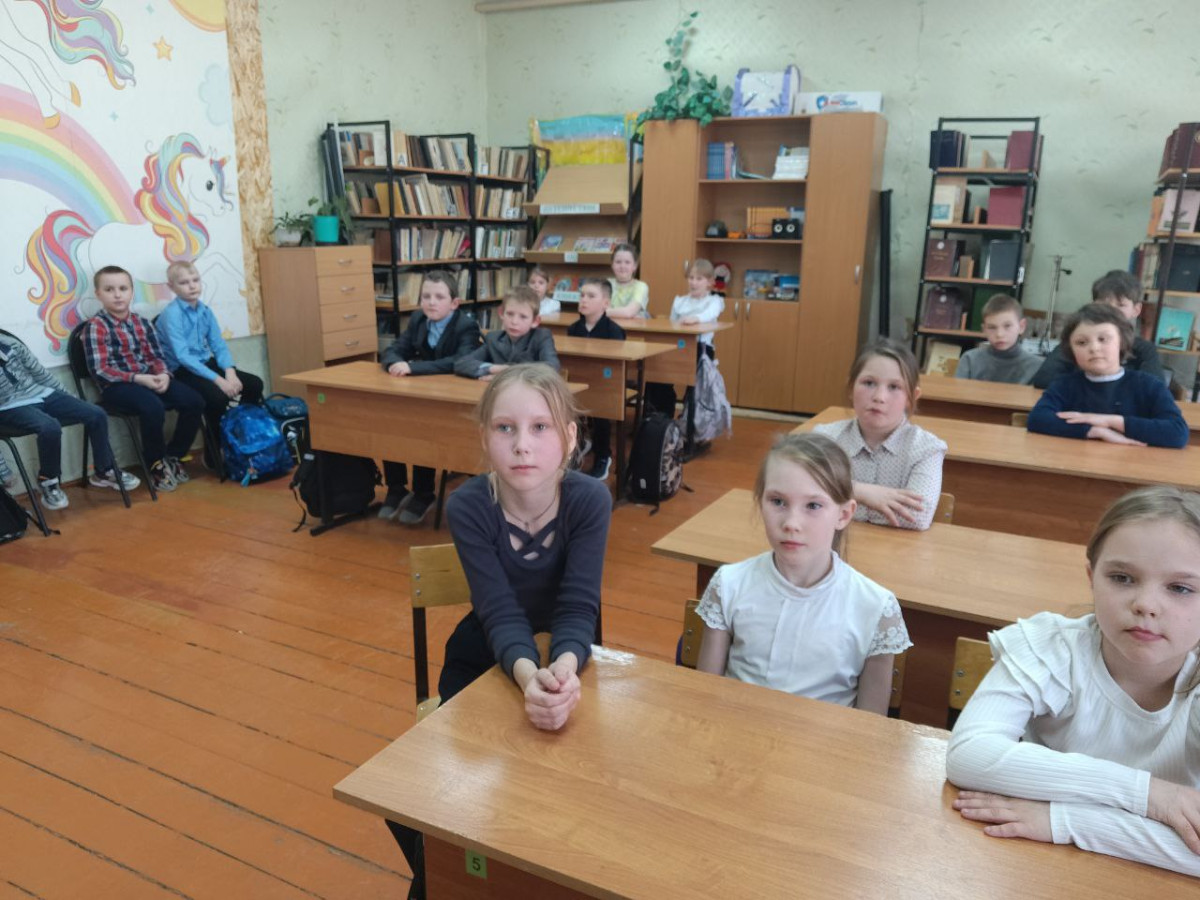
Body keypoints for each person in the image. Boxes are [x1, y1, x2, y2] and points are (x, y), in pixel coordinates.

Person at [946, 485, 1200, 876]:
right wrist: (1148, 794)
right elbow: (969, 755)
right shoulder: (1052, 646)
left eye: (1180, 588)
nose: (1146, 604)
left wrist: (1066, 820)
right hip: (1029, 867)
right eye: (1122, 578)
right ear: (1091, 577)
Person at [695, 432, 911, 714]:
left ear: (843, 515)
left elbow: (870, 727)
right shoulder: (729, 584)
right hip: (735, 735)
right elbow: (704, 700)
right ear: (760, 502)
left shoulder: (875, 607)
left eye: (813, 506)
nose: (791, 523)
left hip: (824, 742)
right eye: (777, 501)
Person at [83, 265, 204, 492]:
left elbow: (155, 356)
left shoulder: (142, 323)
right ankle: (155, 463)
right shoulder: (96, 327)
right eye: (109, 290)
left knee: (194, 400)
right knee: (152, 406)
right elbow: (101, 369)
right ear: (98, 294)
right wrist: (138, 378)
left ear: (131, 292)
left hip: (149, 378)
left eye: (123, 289)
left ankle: (174, 455)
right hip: (117, 387)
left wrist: (163, 374)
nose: (117, 295)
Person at [377, 270, 481, 524]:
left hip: (454, 399)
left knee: (424, 430)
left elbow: (459, 361)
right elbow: (394, 349)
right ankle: (396, 487)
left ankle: (424, 493)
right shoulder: (418, 319)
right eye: (426, 296)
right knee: (390, 423)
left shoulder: (466, 326)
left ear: (454, 303)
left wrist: (413, 368)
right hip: (423, 393)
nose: (431, 302)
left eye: (439, 297)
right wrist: (394, 363)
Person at [812, 339, 947, 530]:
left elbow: (918, 516)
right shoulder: (824, 438)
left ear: (912, 397)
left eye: (894, 387)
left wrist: (837, 498)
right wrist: (862, 492)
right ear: (851, 388)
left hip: (895, 547)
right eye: (869, 383)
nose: (879, 397)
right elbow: (802, 492)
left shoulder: (927, 449)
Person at [0, 329, 139, 509]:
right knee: (49, 427)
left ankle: (104, 470)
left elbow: (41, 373)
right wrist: (2, 469)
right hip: (9, 406)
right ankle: (48, 480)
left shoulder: (9, 342)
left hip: (40, 393)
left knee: (96, 414)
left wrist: (70, 400)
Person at [1027, 303, 1187, 448]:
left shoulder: (1149, 385)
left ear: (1122, 342)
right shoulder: (1064, 385)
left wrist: (1108, 421)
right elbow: (1037, 419)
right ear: (1070, 349)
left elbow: (1177, 433)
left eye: (1103, 339)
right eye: (1081, 343)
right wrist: (1095, 430)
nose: (1094, 348)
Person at [155, 261, 264, 468]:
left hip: (204, 363)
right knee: (216, 397)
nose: (192, 286)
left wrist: (230, 372)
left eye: (195, 280)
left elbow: (218, 345)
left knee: (254, 384)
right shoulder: (172, 315)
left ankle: (239, 432)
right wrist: (219, 381)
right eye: (184, 283)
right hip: (182, 370)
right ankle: (213, 452)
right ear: (172, 287)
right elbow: (183, 357)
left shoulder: (205, 311)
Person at [1032, 270, 1165, 389]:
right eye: (1105, 304)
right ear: (1093, 305)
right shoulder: (1079, 340)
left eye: (1121, 305)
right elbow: (1043, 379)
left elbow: (1155, 389)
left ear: (1136, 310)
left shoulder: (1144, 350)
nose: (1111, 311)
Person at [646, 258, 726, 416]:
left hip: (701, 349)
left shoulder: (714, 301)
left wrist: (695, 319)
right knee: (657, 374)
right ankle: (660, 419)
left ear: (710, 282)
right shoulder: (680, 301)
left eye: (699, 279)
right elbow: (671, 325)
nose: (693, 282)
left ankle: (691, 421)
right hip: (677, 347)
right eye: (691, 278)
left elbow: (709, 314)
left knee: (697, 387)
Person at [567, 278, 625, 479]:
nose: (584, 300)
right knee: (568, 406)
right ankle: (577, 446)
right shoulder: (574, 329)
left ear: (606, 303)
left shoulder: (614, 331)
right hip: (580, 382)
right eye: (582, 295)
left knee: (601, 409)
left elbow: (616, 366)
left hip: (605, 384)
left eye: (591, 296)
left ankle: (603, 455)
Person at [454, 286, 559, 379]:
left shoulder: (541, 337)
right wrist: (494, 369)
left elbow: (552, 367)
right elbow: (462, 364)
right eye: (510, 314)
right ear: (501, 313)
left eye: (523, 317)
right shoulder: (493, 339)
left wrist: (506, 373)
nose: (514, 322)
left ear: (535, 321)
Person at [955, 294, 1042, 384]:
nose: (999, 334)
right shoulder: (970, 360)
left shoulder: (1037, 367)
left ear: (1021, 326)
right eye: (992, 327)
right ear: (984, 329)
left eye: (1007, 326)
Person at [606, 243, 649, 320]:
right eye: (618, 262)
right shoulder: (605, 284)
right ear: (612, 264)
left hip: (632, 327)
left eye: (627, 262)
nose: (622, 266)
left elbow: (629, 312)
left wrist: (604, 312)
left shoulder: (641, 286)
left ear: (635, 266)